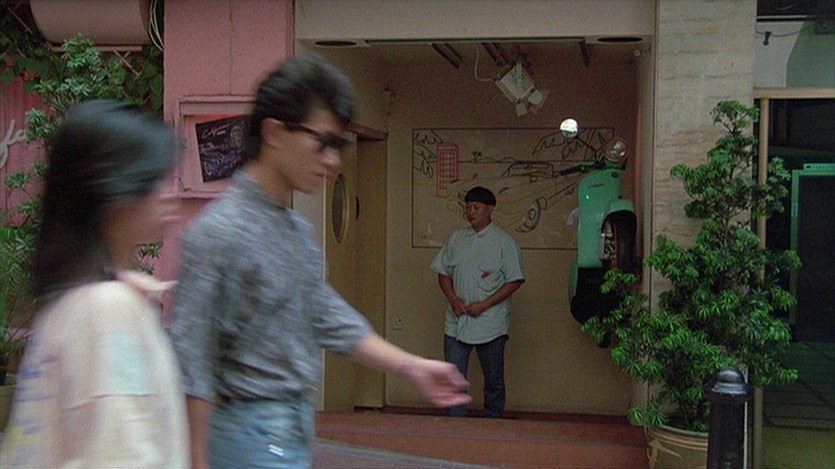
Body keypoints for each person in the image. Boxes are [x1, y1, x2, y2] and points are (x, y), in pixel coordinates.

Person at [167, 53, 471, 469]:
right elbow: (194, 360)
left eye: (339, 146)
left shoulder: (295, 230)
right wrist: (195, 460)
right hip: (245, 435)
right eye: (323, 142)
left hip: (291, 428)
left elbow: (328, 317)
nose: (333, 159)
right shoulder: (218, 232)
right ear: (274, 132)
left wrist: (410, 366)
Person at [0, 100, 188, 467]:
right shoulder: (108, 310)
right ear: (110, 195)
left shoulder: (74, 301)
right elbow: (122, 454)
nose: (169, 193)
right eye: (151, 180)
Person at [431, 186, 525, 418]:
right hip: (456, 321)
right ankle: (455, 424)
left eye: (476, 207)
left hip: (490, 323)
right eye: (468, 208)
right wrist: (452, 298)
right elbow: (443, 272)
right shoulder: (457, 238)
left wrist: (484, 305)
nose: (470, 212)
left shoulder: (504, 242)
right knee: (454, 379)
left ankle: (493, 423)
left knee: (493, 380)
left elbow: (514, 281)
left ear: (490, 209)